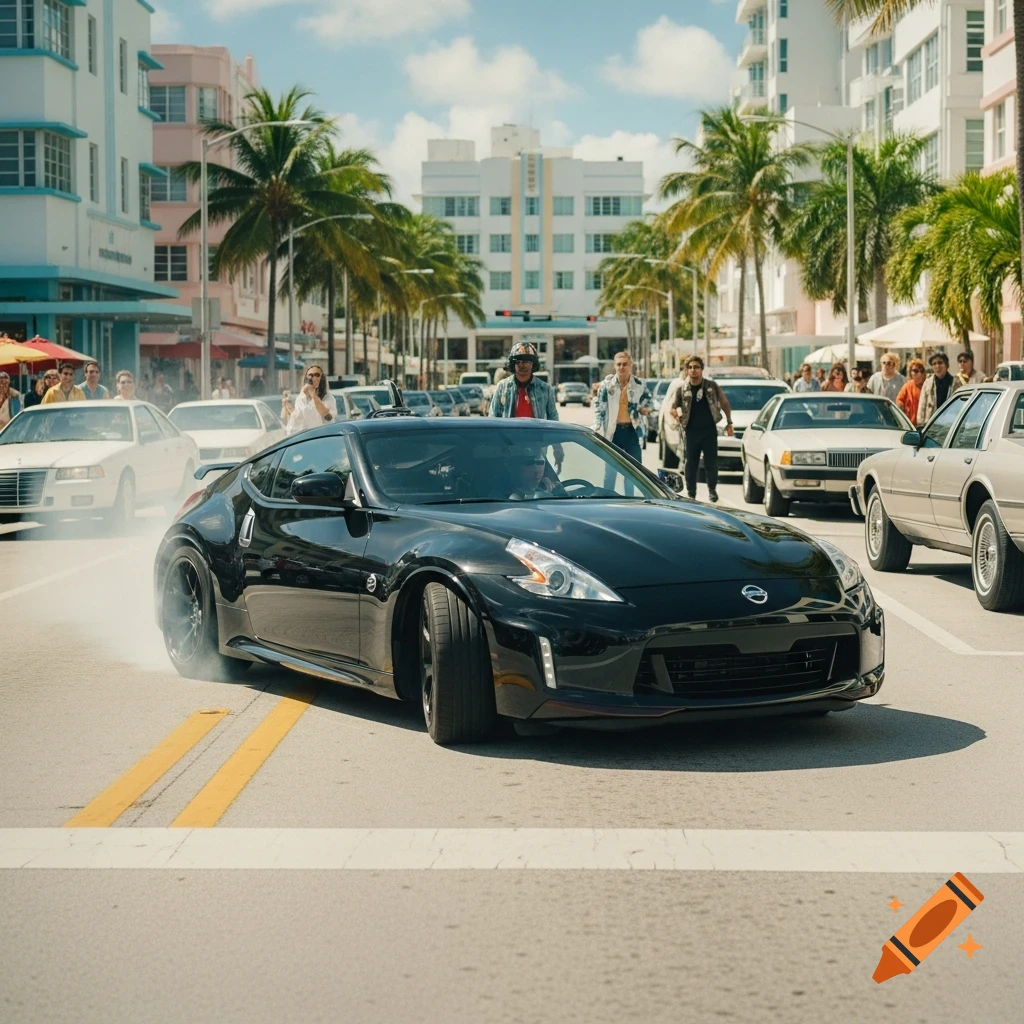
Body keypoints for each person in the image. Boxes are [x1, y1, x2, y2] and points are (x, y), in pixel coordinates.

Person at [670, 355, 734, 504]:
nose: (693, 370)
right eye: (690, 368)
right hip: (691, 431)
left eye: (696, 367)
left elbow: (724, 403)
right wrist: (676, 416)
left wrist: (729, 422)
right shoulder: (682, 389)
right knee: (691, 463)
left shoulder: (711, 386)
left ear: (702, 370)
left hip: (709, 430)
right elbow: (673, 408)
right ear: (687, 370)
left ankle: (712, 490)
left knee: (711, 462)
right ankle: (691, 493)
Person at [591, 350, 653, 463]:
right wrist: (597, 426)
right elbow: (599, 408)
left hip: (632, 431)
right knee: (610, 470)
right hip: (613, 431)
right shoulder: (607, 385)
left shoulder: (639, 385)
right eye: (619, 364)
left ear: (630, 366)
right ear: (615, 366)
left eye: (625, 364)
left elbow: (649, 402)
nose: (621, 367)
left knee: (635, 469)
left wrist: (646, 409)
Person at [489, 342, 559, 420]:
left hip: (537, 432)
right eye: (518, 362)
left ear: (533, 364)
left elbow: (554, 420)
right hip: (509, 432)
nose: (522, 365)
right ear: (513, 364)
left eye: (526, 362)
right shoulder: (502, 387)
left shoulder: (545, 389)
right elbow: (493, 418)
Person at [287, 364, 337, 435]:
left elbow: (327, 416)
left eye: (317, 375)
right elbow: (296, 422)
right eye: (310, 375)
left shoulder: (328, 398)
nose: (313, 378)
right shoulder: (301, 399)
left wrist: (313, 394)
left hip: (323, 437)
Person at [916, 352, 959, 426]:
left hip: (950, 425)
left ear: (947, 365)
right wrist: (921, 425)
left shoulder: (955, 382)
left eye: (940, 363)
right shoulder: (928, 383)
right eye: (934, 364)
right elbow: (922, 406)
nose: (937, 366)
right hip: (931, 424)